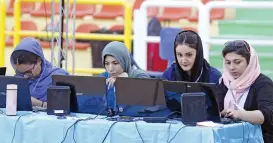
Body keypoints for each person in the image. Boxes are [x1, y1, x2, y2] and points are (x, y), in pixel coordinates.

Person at [217, 40, 273, 143]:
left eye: (237, 62)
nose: (232, 67)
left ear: (249, 61)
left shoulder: (264, 84)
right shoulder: (225, 82)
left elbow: (263, 116)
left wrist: (238, 114)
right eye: (227, 62)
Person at [162, 30, 222, 112]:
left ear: (198, 54)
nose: (183, 60)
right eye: (179, 55)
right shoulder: (168, 75)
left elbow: (217, 111)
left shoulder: (214, 76)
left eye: (189, 55)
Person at [10, 37, 69, 108]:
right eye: (20, 72)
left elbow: (63, 107)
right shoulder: (17, 79)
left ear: (39, 61)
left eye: (28, 71)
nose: (25, 76)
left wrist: (39, 104)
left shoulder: (58, 77)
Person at [100, 41, 150, 113]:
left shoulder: (140, 75)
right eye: (106, 64)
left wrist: (126, 80)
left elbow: (148, 92)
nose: (110, 68)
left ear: (124, 61)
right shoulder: (104, 77)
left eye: (115, 63)